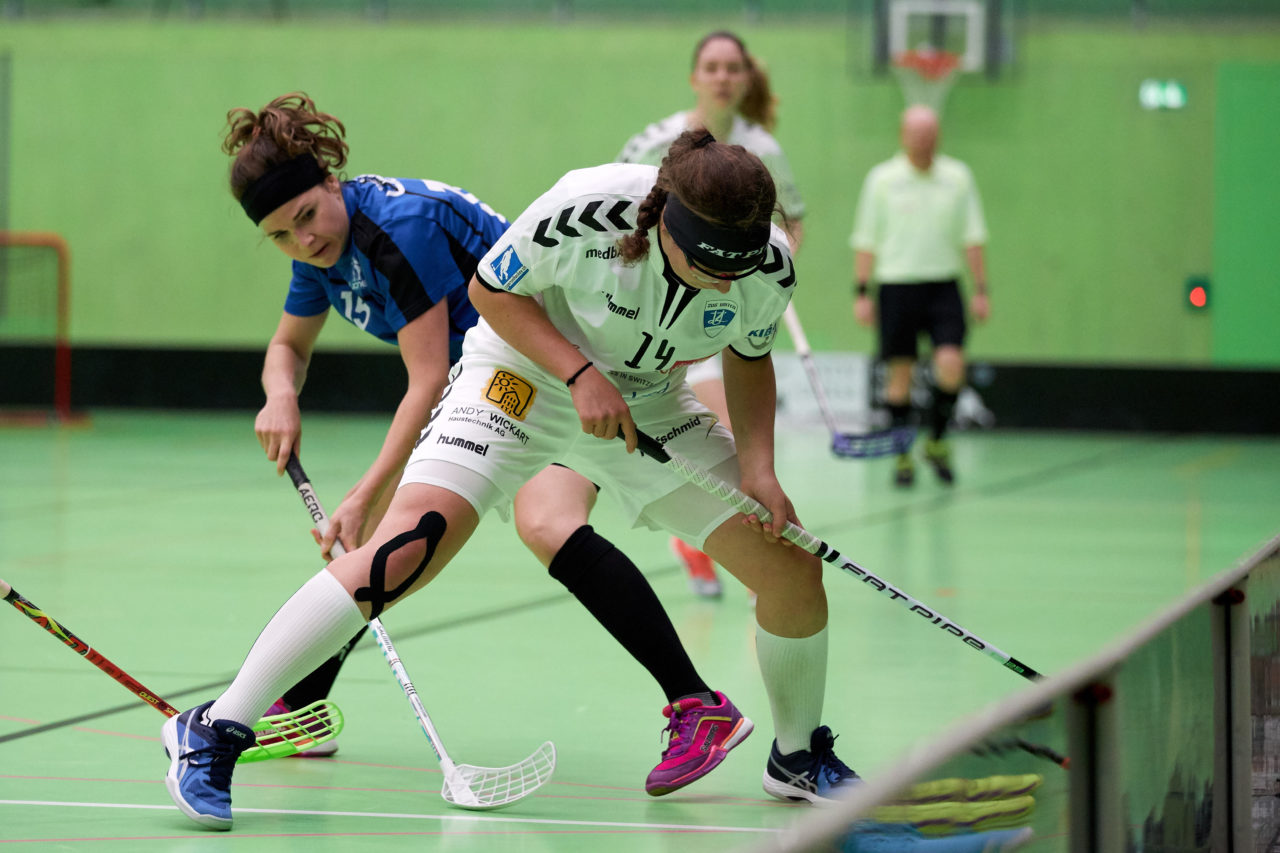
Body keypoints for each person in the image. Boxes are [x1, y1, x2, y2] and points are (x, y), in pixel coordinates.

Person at [162, 129, 859, 830]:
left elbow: (748, 357)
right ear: (666, 227)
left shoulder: (766, 267)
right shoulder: (585, 209)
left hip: (648, 402)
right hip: (519, 377)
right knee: (406, 547)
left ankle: (797, 756)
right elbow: (489, 291)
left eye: (739, 269)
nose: (727, 283)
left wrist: (761, 469)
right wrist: (578, 375)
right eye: (709, 266)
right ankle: (215, 728)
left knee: (790, 566)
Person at [216, 93, 740, 777]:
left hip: (549, 366)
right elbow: (288, 345)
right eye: (282, 235)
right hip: (497, 385)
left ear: (331, 183)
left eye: (308, 216)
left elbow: (428, 378)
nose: (303, 241)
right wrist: (280, 394)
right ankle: (304, 706)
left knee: (512, 526)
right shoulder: (322, 251)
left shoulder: (398, 228)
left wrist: (367, 493)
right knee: (414, 544)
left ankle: (696, 703)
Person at [618, 29, 805, 598]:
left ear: (746, 80)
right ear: (695, 77)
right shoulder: (656, 141)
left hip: (726, 310)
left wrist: (768, 277)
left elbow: (791, 220)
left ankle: (739, 560)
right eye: (712, 67)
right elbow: (619, 213)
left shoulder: (763, 147)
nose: (723, 77)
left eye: (733, 68)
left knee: (732, 437)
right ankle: (708, 547)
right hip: (662, 314)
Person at [850, 104, 989, 487]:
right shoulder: (882, 179)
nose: (922, 141)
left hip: (944, 285)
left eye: (929, 134)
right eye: (915, 134)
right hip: (896, 285)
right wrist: (861, 292)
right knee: (900, 374)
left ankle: (937, 441)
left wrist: (981, 289)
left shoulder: (958, 177)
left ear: (938, 136)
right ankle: (902, 456)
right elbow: (865, 239)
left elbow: (973, 236)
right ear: (903, 136)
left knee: (951, 364)